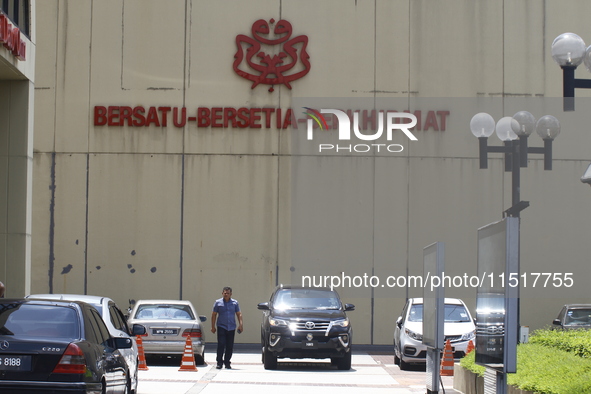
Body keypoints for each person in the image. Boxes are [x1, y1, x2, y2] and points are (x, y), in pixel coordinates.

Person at [211, 286, 243, 369]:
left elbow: (239, 314)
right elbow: (214, 315)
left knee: (229, 346)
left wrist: (241, 324)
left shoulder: (235, 303)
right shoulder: (218, 303)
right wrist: (213, 326)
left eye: (228, 293)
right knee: (221, 344)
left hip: (231, 327)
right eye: (225, 293)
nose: (226, 295)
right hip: (221, 326)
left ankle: (227, 362)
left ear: (231, 294)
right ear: (222, 293)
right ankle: (219, 362)